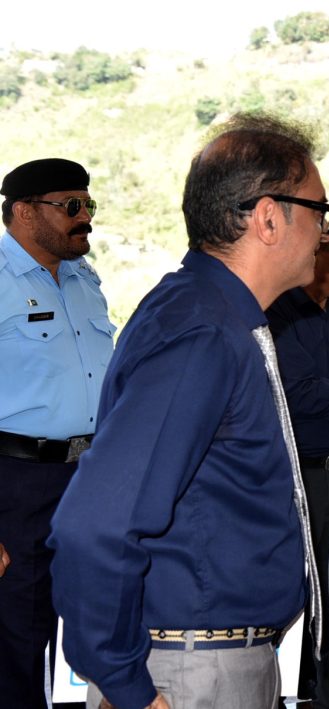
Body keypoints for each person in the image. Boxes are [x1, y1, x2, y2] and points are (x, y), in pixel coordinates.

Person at [49, 113, 329, 709]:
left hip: (206, 662)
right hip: (189, 675)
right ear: (268, 218)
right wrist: (127, 685)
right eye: (319, 212)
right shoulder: (201, 331)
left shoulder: (213, 314)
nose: (325, 232)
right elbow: (95, 523)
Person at [0, 157, 114, 709]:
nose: (85, 217)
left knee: (100, 621)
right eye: (71, 206)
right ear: (25, 212)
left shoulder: (84, 279)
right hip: (16, 483)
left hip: (88, 477)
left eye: (88, 204)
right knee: (17, 638)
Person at [266, 210, 329, 709]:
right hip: (297, 481)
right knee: (298, 597)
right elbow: (295, 392)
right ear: (317, 252)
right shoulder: (277, 311)